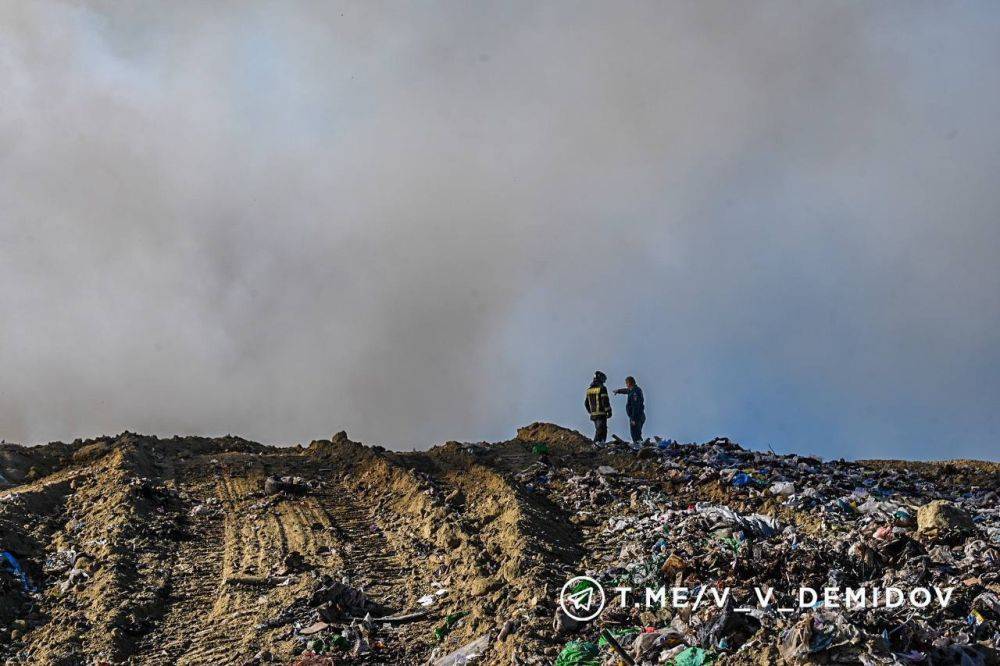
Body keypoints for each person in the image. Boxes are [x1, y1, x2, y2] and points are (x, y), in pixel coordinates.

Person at [614, 376, 645, 444]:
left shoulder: (635, 392)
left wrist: (633, 418)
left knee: (635, 433)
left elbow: (635, 406)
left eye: (626, 383)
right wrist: (618, 391)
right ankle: (639, 445)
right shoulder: (633, 390)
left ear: (629, 383)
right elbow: (626, 390)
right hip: (638, 416)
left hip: (636, 416)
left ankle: (638, 446)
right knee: (636, 433)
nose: (626, 385)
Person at [584, 371, 612, 443]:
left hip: (594, 415)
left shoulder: (589, 390)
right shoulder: (602, 388)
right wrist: (609, 411)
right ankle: (597, 445)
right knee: (602, 431)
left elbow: (586, 403)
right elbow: (605, 401)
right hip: (601, 414)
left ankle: (598, 445)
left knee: (598, 430)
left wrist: (591, 412)